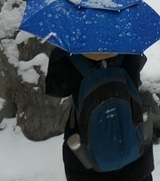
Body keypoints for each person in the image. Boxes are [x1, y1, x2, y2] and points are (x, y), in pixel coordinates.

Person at [44, 47, 154, 181]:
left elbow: (54, 88)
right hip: (134, 152)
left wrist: (61, 52)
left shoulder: (71, 56)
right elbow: (137, 70)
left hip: (87, 159)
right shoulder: (128, 48)